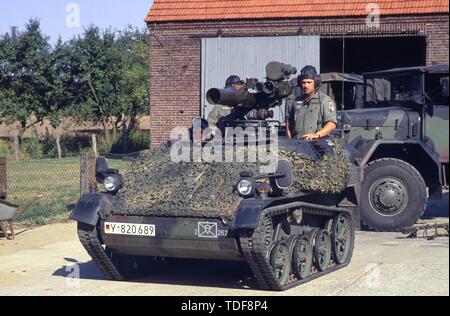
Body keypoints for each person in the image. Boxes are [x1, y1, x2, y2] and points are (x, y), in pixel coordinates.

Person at [287, 65, 337, 140]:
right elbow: (289, 123)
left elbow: (331, 124)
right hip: (297, 142)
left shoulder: (324, 100)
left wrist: (317, 134)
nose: (306, 85)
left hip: (316, 143)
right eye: (303, 82)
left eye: (309, 82)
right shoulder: (297, 101)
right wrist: (289, 141)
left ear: (316, 83)